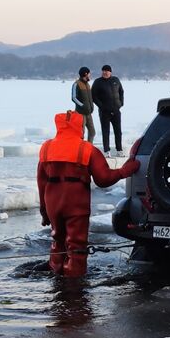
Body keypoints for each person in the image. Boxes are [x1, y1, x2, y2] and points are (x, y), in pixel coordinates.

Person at [37, 110, 140, 278]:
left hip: (53, 203)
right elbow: (103, 179)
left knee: (58, 240)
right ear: (80, 127)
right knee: (76, 245)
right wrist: (124, 171)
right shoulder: (87, 149)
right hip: (75, 203)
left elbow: (42, 181)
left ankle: (55, 276)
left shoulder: (47, 147)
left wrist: (44, 210)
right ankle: (74, 286)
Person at [92, 64, 125, 154]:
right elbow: (94, 96)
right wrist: (102, 106)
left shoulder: (116, 80)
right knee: (105, 131)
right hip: (104, 112)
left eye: (106, 71)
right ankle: (107, 151)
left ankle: (119, 150)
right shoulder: (98, 82)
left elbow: (121, 91)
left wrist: (121, 103)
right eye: (103, 71)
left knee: (118, 131)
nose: (105, 72)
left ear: (110, 72)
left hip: (116, 110)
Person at [71, 66, 96, 143]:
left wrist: (91, 106)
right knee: (81, 133)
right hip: (80, 113)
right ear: (85, 74)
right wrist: (82, 106)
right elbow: (73, 98)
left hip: (88, 113)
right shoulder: (76, 84)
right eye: (89, 74)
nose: (90, 75)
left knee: (92, 132)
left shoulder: (88, 85)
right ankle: (79, 149)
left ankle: (89, 148)